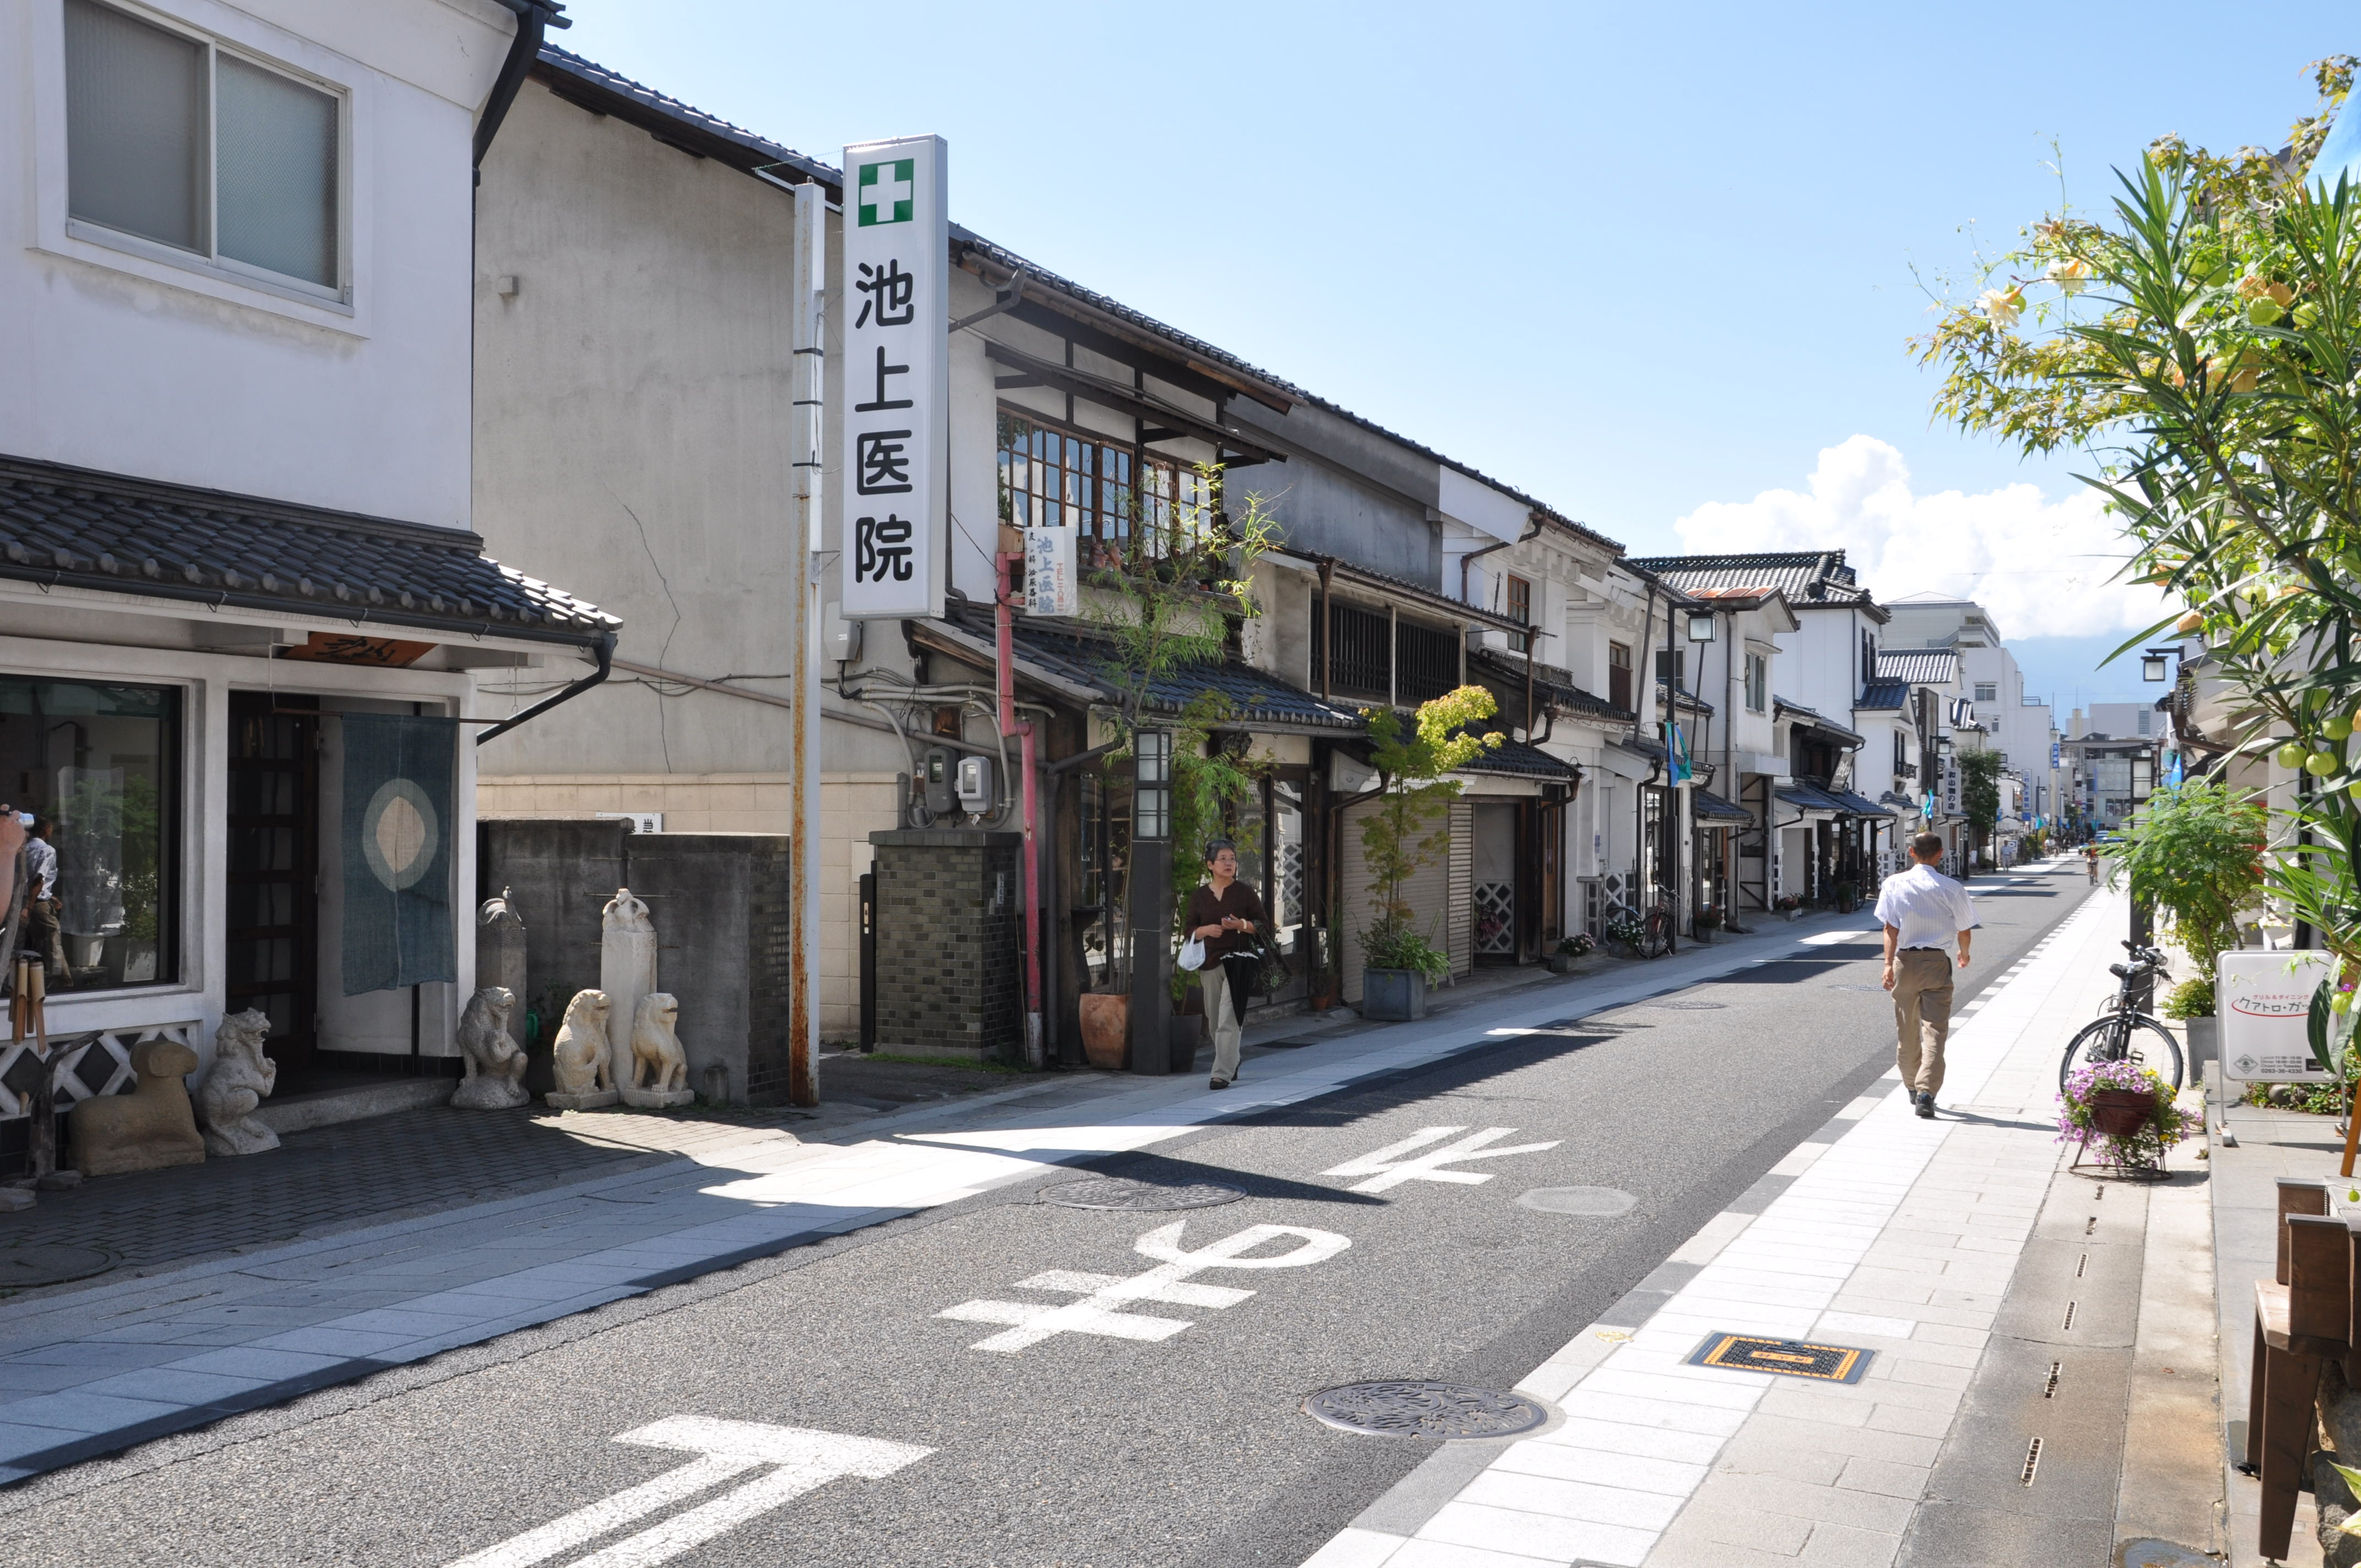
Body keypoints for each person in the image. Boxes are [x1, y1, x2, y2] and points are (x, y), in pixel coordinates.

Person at [1876, 830, 1978, 1120]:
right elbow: (1964, 928)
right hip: (1936, 962)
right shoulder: (1952, 887)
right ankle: (1926, 1093)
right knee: (1935, 1031)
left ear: (1911, 852)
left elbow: (1890, 928)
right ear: (1940, 854)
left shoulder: (1893, 884)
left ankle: (1911, 1085)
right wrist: (1964, 953)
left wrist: (1887, 964)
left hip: (1904, 961)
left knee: (1907, 1029)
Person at [1183, 839, 1265, 1091]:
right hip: (1209, 963)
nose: (1229, 863)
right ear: (1210, 865)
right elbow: (1188, 930)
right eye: (1223, 859)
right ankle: (1232, 1059)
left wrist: (1241, 925)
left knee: (1229, 1018)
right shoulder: (1199, 896)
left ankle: (1221, 1074)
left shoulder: (1245, 893)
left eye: (1232, 859)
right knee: (1215, 1020)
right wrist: (1205, 930)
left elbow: (1264, 926)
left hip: (1239, 962)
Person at [21, 815, 64, 982]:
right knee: (52, 944)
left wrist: (50, 896)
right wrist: (29, 907)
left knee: (20, 944)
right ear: (46, 830)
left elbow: (27, 878)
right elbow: (39, 879)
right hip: (35, 904)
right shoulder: (47, 850)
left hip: (22, 900)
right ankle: (63, 983)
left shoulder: (24, 848)